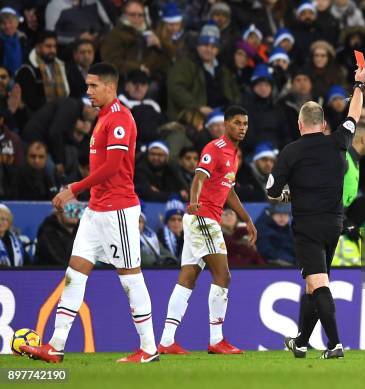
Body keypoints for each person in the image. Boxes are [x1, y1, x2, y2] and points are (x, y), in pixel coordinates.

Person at [20, 62, 159, 363]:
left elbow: (113, 166)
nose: (88, 92)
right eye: (87, 86)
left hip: (118, 210)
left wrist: (75, 188)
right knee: (74, 274)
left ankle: (148, 348)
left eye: (94, 86)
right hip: (96, 211)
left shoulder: (120, 118)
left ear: (111, 87)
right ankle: (55, 346)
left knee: (129, 277)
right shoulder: (103, 117)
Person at [268, 64, 365, 359]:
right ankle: (300, 342)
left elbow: (273, 190)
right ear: (324, 123)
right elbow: (354, 115)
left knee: (318, 283)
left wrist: (287, 191)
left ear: (300, 125)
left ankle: (335, 343)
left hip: (307, 227)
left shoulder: (290, 152)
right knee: (315, 283)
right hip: (333, 225)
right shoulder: (338, 142)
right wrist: (358, 85)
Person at [158, 106, 257, 355]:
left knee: (188, 277)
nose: (242, 127)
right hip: (202, 217)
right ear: (225, 124)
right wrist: (194, 202)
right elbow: (199, 178)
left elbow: (229, 191)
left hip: (203, 219)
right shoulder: (215, 148)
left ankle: (167, 340)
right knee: (223, 276)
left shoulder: (235, 155)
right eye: (237, 123)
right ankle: (216, 339)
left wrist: (247, 219)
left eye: (245, 123)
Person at [35, 202, 84, 266]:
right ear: (57, 211)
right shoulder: (47, 233)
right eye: (70, 208)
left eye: (78, 208)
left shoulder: (83, 231)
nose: (75, 213)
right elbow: (60, 262)